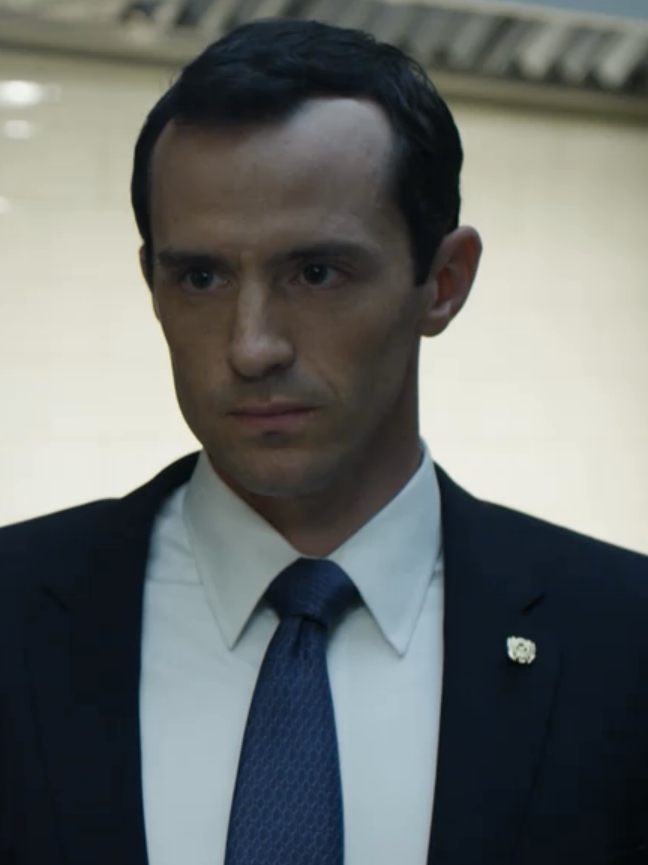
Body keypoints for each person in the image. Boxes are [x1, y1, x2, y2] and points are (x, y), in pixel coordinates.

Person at [1, 17, 647, 865]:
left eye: (315, 273)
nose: (251, 347)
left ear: (444, 282)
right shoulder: (15, 612)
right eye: (201, 276)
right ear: (152, 285)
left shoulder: (623, 640)